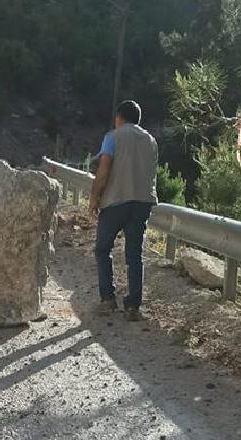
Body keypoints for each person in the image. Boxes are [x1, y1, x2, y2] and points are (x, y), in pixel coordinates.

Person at [89, 100, 158, 320]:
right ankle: (133, 307)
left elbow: (104, 170)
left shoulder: (113, 137)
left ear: (119, 118)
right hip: (143, 203)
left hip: (116, 201)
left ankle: (108, 299)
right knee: (134, 255)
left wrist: (94, 197)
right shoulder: (151, 140)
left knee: (103, 249)